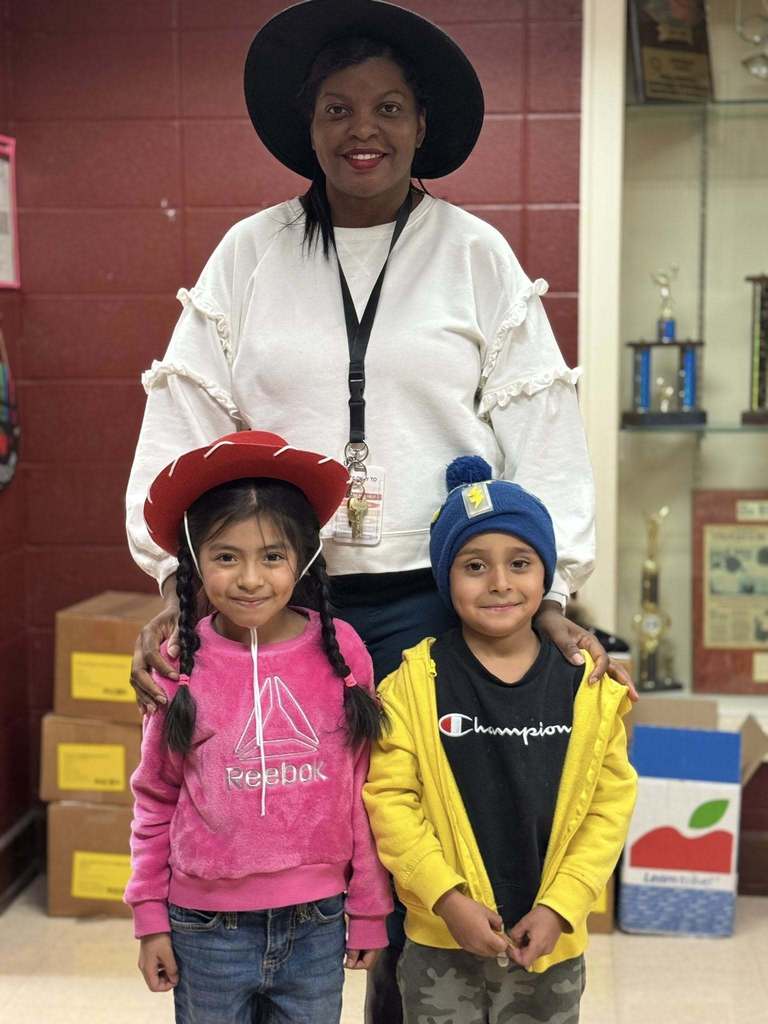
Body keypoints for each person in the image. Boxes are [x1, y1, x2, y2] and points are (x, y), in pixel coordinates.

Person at [124, 2, 635, 1018]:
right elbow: (185, 412)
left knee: (423, 860)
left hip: (432, 606)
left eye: (390, 107)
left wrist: (556, 590)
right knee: (299, 842)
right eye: (339, 108)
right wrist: (177, 581)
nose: (365, 128)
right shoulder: (249, 254)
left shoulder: (475, 254)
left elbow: (538, 424)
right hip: (284, 607)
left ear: (422, 125)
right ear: (306, 128)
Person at [124, 429, 392, 1024]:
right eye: (226, 557)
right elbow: (156, 795)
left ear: (304, 559)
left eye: (272, 557)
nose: (250, 579)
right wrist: (149, 917)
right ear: (196, 564)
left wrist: (370, 907)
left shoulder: (342, 653)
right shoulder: (177, 661)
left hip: (318, 920)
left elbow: (362, 788)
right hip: (203, 928)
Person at [363, 456, 638, 1023]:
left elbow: (608, 810)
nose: (500, 583)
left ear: (545, 576)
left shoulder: (585, 687)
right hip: (442, 941)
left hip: (550, 945)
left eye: (520, 563)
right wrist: (445, 898)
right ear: (444, 578)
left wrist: (562, 908)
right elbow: (391, 801)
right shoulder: (412, 684)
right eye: (474, 566)